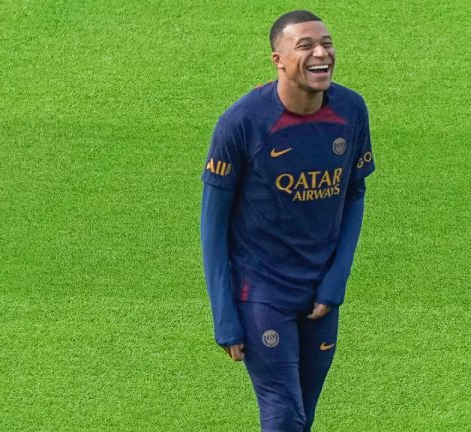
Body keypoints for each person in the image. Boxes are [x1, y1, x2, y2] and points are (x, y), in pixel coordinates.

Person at [200, 10, 375, 431]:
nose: (321, 53)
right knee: (283, 415)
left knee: (302, 417)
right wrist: (224, 313)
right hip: (261, 291)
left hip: (319, 293)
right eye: (306, 46)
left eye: (327, 44)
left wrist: (336, 279)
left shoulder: (351, 110)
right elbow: (212, 225)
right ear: (278, 59)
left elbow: (354, 192)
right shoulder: (243, 122)